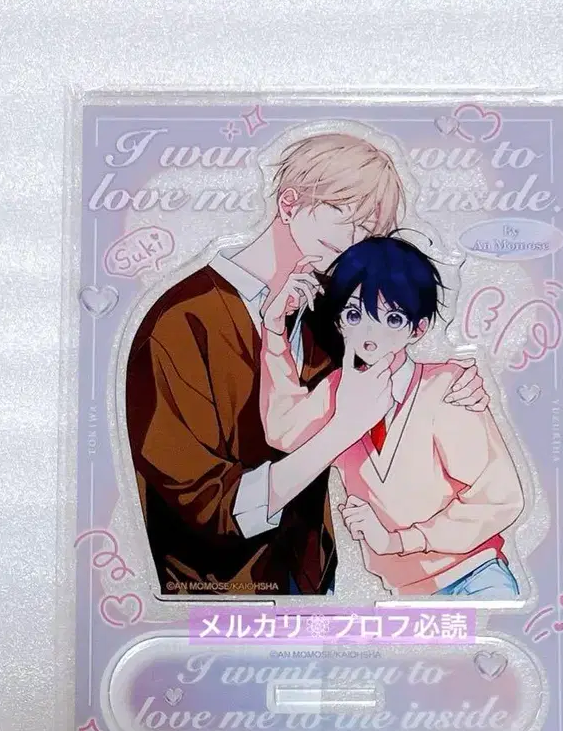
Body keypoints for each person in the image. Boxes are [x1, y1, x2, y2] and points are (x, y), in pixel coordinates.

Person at [125, 133, 491, 595]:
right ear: (289, 203)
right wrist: (341, 430)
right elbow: (201, 502)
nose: (356, 241)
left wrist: (454, 386)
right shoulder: (180, 321)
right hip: (211, 591)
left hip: (313, 581)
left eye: (370, 229)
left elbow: (389, 384)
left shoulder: (334, 315)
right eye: (344, 216)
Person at [259, 234, 525, 597]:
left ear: (419, 329)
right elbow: (282, 431)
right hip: (405, 596)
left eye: (393, 318)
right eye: (354, 314)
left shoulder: (446, 387)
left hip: (473, 579)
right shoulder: (337, 391)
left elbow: (499, 498)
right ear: (339, 322)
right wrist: (274, 330)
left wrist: (400, 541)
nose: (370, 334)